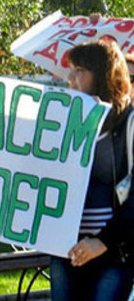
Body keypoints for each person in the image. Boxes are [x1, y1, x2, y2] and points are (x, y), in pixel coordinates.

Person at [50, 40, 134, 301]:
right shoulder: (59, 120)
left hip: (112, 253)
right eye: (71, 70)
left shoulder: (129, 122)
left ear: (103, 75)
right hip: (66, 252)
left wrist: (103, 241)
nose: (71, 78)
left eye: (80, 71)